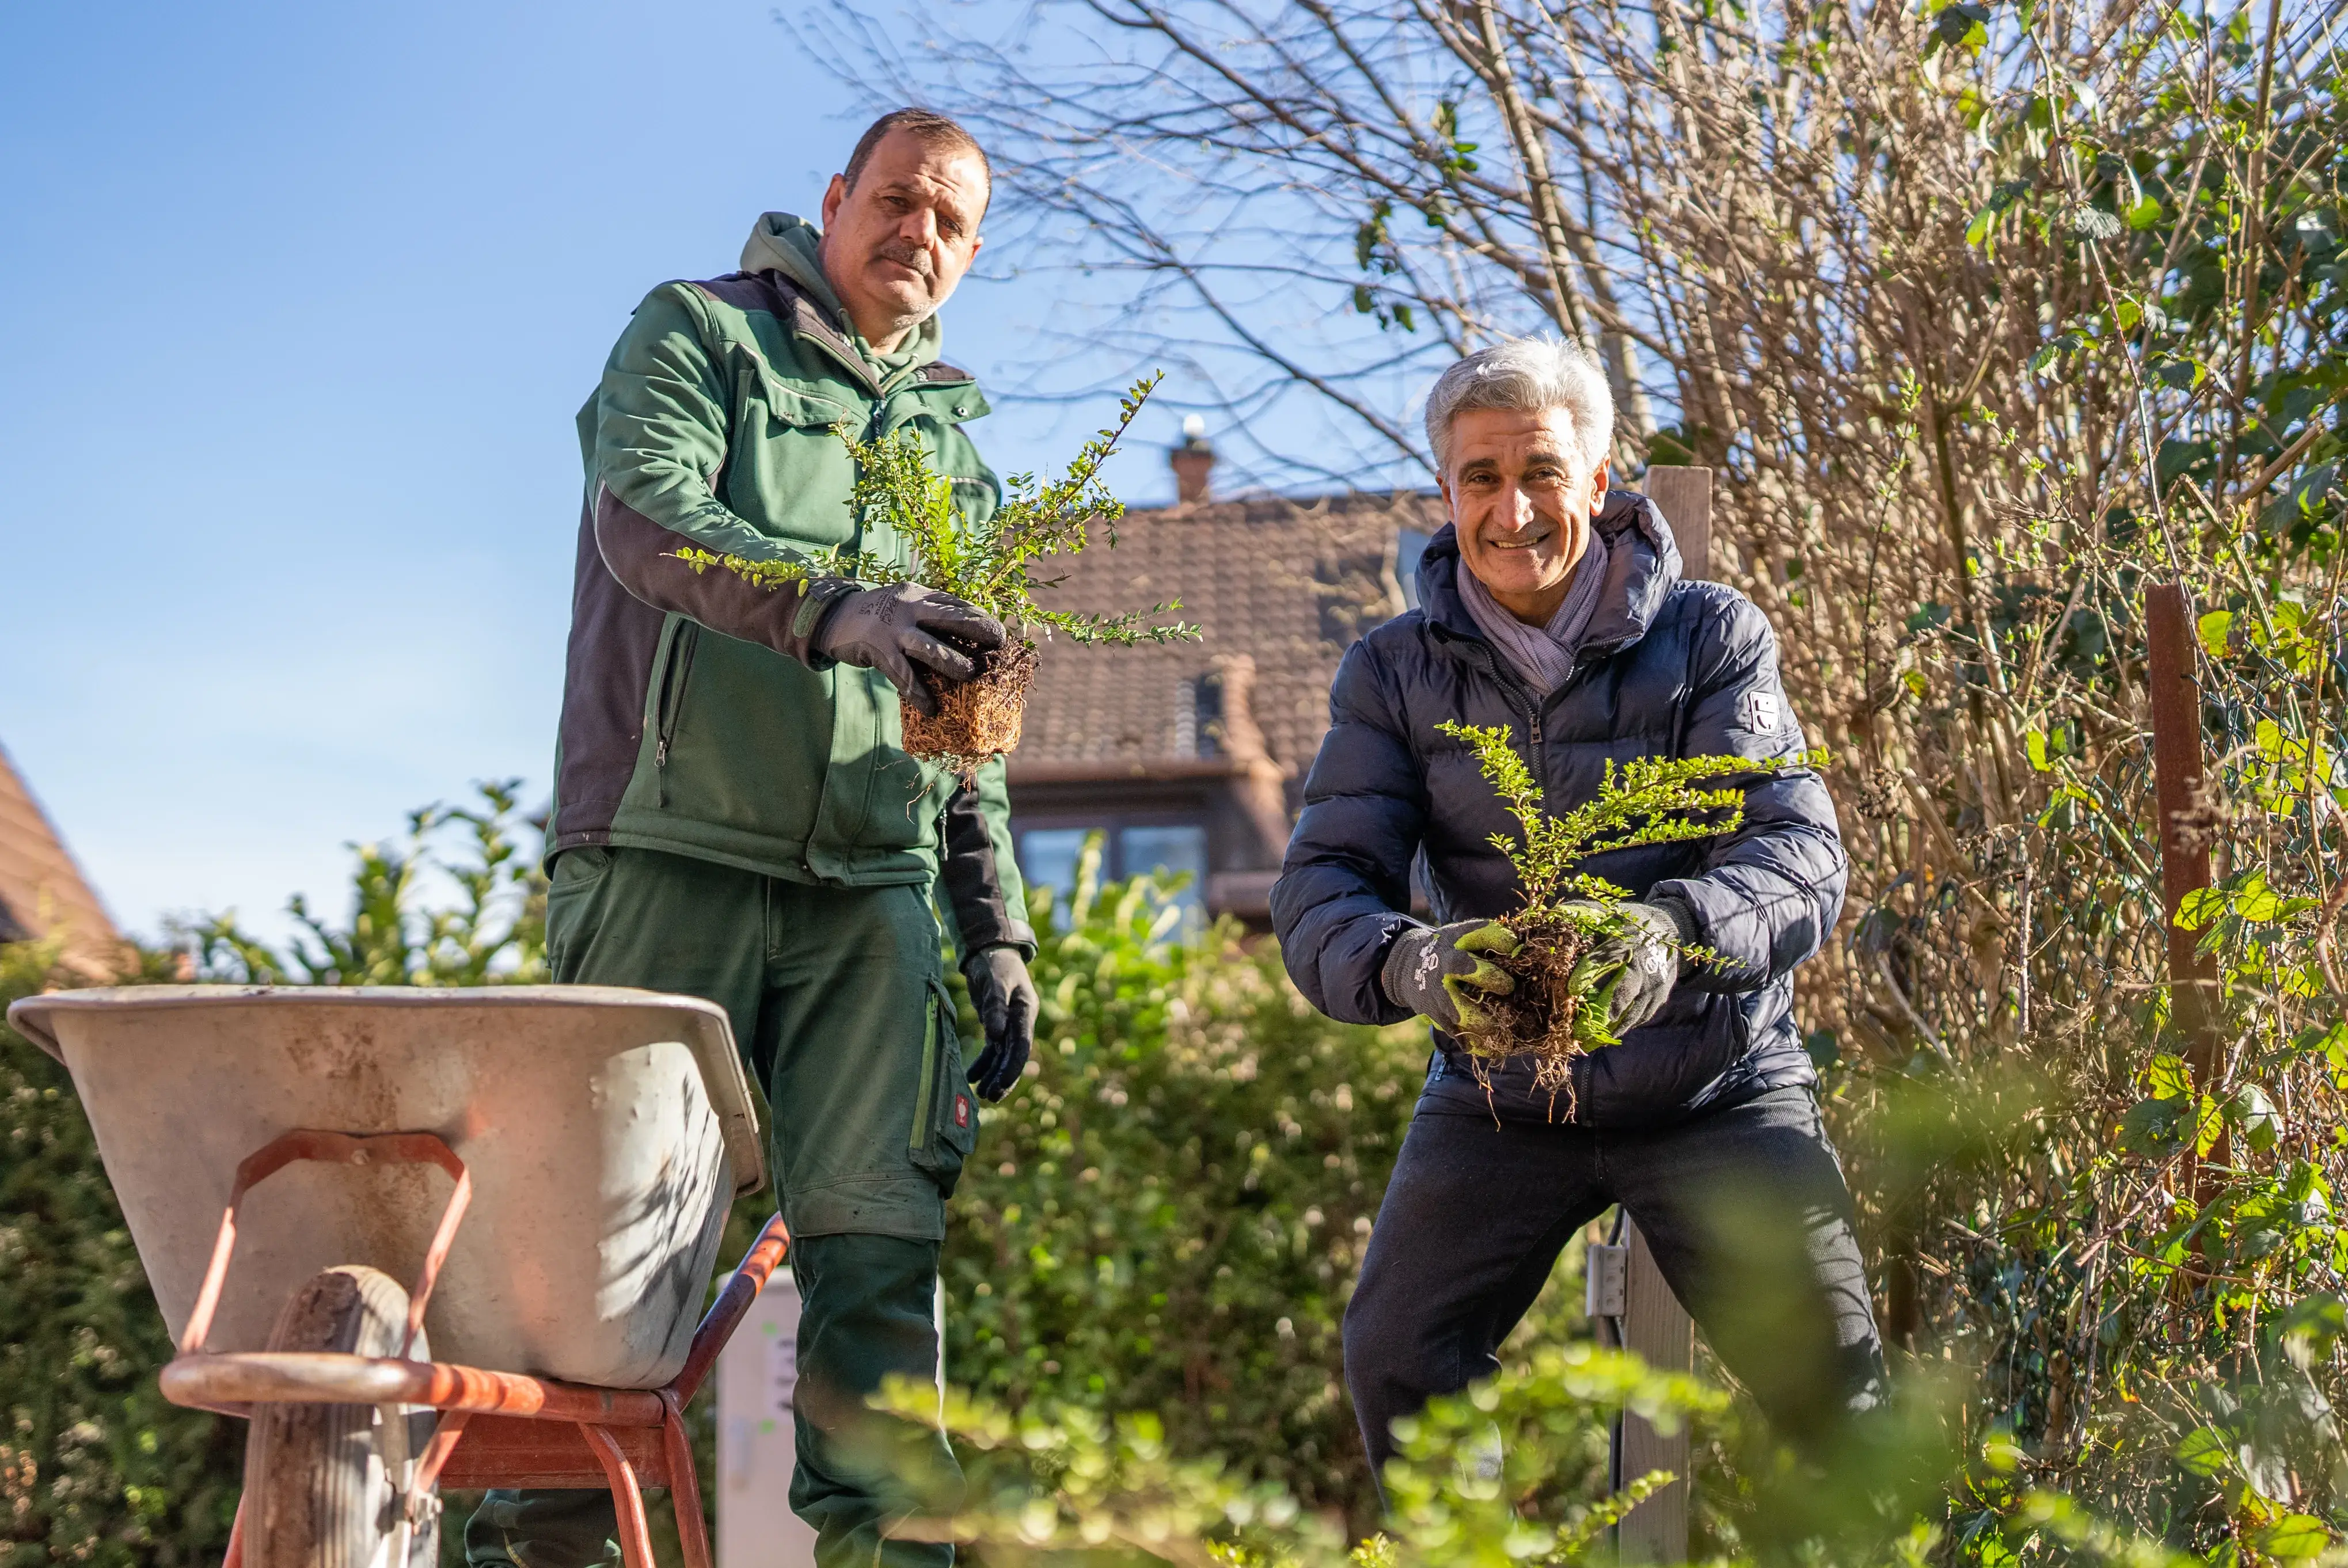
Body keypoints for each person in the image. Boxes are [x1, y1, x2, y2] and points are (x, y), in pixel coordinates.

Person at [476, 109, 1039, 1568]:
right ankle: (550, 1552)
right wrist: (838, 608)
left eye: (954, 223)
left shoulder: (952, 457)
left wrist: (994, 929)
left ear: (971, 255)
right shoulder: (698, 336)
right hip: (671, 856)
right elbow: (648, 520)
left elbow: (967, 721)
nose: (921, 232)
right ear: (836, 198)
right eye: (901, 199)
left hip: (875, 897)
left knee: (876, 1265)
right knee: (611, 1266)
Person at [1269, 337, 1885, 1481]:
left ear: (1599, 484)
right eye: (1481, 480)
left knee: (1836, 1387)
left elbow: (1799, 856)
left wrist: (1672, 933)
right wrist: (1410, 966)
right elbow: (1317, 888)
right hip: (1499, 1094)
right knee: (1397, 1354)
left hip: (1714, 1082)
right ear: (1446, 494)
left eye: (1542, 473)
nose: (1512, 511)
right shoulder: (1396, 671)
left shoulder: (1707, 637)